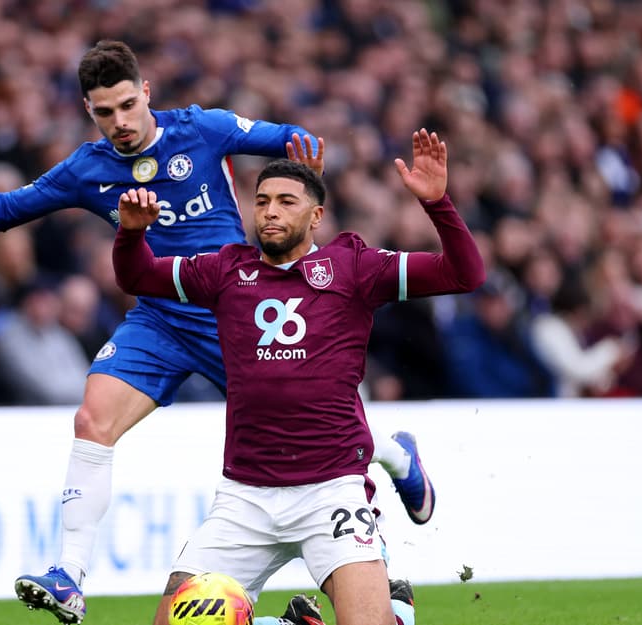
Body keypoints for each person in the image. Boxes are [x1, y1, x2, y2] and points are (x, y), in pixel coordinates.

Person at [0, 40, 431, 623]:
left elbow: (288, 138)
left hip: (236, 314)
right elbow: (11, 208)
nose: (120, 122)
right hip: (159, 319)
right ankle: (70, 574)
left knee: (321, 431)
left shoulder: (201, 130)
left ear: (146, 92)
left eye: (128, 105)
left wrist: (303, 165)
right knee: (91, 419)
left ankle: (391, 478)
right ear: (88, 110)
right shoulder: (88, 169)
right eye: (106, 112)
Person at [110, 130, 484, 625]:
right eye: (263, 201)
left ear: (316, 216)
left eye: (287, 202)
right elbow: (136, 277)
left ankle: (390, 609)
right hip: (245, 495)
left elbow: (465, 274)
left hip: (331, 489)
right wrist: (131, 233)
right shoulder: (225, 270)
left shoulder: (353, 266)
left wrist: (437, 204)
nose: (270, 211)